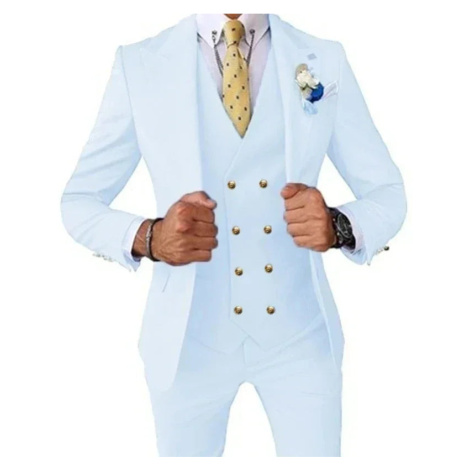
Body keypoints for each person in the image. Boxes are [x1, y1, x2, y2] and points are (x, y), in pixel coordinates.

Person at [60, 13, 406, 457]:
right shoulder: (140, 63)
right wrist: (149, 237)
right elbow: (79, 201)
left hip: (300, 338)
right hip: (186, 343)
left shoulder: (324, 57)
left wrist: (339, 226)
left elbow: (388, 193)